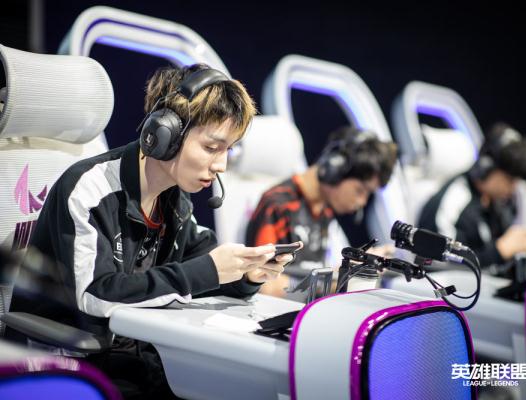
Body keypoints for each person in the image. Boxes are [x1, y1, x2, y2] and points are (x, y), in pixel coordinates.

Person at [7, 64, 294, 399]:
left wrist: (246, 274)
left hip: (140, 359)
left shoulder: (175, 201)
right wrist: (207, 270)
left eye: (228, 150)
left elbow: (203, 263)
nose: (221, 165)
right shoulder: (88, 189)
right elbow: (96, 295)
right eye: (211, 147)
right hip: (75, 367)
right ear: (164, 133)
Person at [245, 126, 398, 297]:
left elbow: (316, 278)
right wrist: (342, 275)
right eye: (360, 190)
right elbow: (266, 286)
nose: (362, 201)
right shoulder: (278, 205)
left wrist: (356, 270)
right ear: (335, 170)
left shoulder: (324, 211)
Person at [418, 122, 526, 269]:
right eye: (510, 179)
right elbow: (432, 259)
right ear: (485, 167)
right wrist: (500, 251)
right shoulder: (454, 199)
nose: (514, 188)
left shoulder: (497, 203)